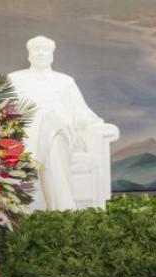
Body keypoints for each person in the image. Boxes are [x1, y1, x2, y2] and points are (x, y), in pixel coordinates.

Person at [8, 35, 118, 211]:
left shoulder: (65, 81)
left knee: (54, 128)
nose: (41, 53)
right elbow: (3, 111)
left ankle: (51, 207)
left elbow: (80, 112)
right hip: (27, 135)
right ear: (29, 55)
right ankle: (63, 209)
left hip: (62, 134)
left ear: (52, 55)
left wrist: (97, 126)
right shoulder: (15, 79)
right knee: (44, 121)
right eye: (36, 49)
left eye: (45, 50)